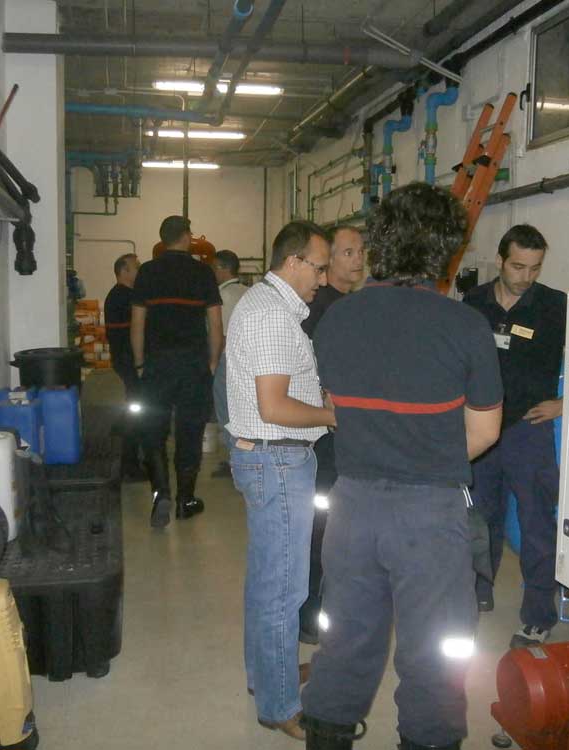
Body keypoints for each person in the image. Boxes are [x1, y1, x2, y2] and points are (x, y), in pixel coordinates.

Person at [301, 183, 503, 750]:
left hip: (353, 507)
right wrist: (427, 453)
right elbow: (484, 431)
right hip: (429, 513)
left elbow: (335, 410)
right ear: (444, 249)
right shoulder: (464, 326)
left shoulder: (336, 320)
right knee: (436, 650)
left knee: (345, 637)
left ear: (378, 245)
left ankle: (327, 735)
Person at [225, 220, 337, 741]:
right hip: (278, 460)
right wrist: (331, 415)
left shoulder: (266, 307)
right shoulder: (272, 316)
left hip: (268, 460)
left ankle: (267, 676)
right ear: (292, 262)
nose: (323, 276)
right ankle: (278, 704)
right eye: (318, 266)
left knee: (268, 581)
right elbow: (274, 406)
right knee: (285, 589)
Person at [463, 223, 566, 649]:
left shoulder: (555, 306)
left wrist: (567, 401)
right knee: (479, 517)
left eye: (535, 268)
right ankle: (477, 590)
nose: (526, 277)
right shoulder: (473, 304)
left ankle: (539, 614)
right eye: (518, 267)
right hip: (481, 428)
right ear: (501, 260)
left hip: (529, 431)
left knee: (536, 521)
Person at [131, 215, 223, 528]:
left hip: (157, 365)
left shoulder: (147, 272)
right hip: (193, 365)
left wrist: (141, 363)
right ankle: (186, 500)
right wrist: (212, 362)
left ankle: (161, 494)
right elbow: (215, 324)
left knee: (153, 430)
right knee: (190, 431)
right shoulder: (203, 273)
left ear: (162, 239)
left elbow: (138, 324)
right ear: (186, 237)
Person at [298, 225, 365, 644]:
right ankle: (309, 611)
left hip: (347, 429)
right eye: (347, 252)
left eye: (360, 252)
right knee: (320, 520)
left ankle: (331, 603)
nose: (357, 259)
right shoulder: (318, 307)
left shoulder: (354, 305)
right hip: (322, 432)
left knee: (339, 521)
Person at [104, 253, 144, 480]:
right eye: (135, 267)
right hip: (129, 363)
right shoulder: (126, 298)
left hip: (124, 361)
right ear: (124, 271)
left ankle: (121, 436)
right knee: (136, 410)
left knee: (133, 407)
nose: (139, 270)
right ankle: (129, 466)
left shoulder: (118, 296)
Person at [210, 249, 248, 478]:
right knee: (243, 412)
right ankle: (242, 457)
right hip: (247, 361)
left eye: (214, 267)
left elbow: (219, 334)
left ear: (223, 268)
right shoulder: (248, 291)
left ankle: (235, 460)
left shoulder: (221, 297)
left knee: (226, 411)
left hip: (227, 358)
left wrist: (213, 361)